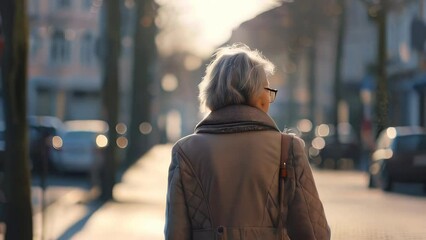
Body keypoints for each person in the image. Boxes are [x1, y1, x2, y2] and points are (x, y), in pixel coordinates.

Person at [164, 43, 330, 240]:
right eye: (268, 90)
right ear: (259, 97)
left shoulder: (185, 152)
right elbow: (314, 232)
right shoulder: (287, 149)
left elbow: (175, 233)